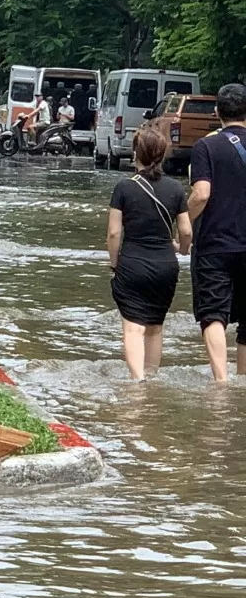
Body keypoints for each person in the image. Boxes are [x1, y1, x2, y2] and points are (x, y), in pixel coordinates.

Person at [107, 128, 193, 380]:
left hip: (132, 265)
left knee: (134, 328)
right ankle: (151, 377)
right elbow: (186, 231)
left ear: (136, 155)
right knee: (155, 327)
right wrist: (183, 250)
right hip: (166, 266)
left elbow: (113, 234)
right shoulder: (176, 189)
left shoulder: (124, 188)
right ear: (163, 155)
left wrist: (115, 265)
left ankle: (137, 382)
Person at [188, 82, 246, 381]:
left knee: (214, 314)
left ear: (216, 112)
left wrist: (183, 220)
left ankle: (221, 383)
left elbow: (201, 194)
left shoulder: (206, 146)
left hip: (215, 244)